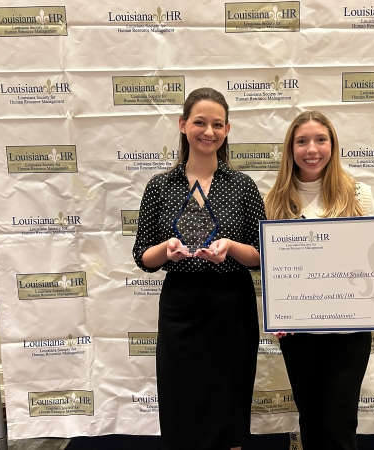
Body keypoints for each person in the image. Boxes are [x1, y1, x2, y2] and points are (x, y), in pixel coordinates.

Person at [265, 110, 374, 450]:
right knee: (309, 421)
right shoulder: (275, 200)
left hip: (349, 333)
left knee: (339, 425)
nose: (312, 149)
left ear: (333, 145)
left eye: (321, 140)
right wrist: (277, 309)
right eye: (302, 141)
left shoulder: (358, 193)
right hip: (299, 333)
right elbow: (273, 267)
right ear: (290, 149)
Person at [132, 87, 265, 450]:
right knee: (181, 396)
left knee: (230, 395)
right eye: (200, 122)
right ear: (182, 125)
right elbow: (143, 256)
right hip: (181, 307)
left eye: (217, 124)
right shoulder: (160, 186)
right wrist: (168, 249)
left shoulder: (243, 186)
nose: (208, 131)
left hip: (232, 306)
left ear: (227, 130)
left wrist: (231, 248)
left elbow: (263, 255)